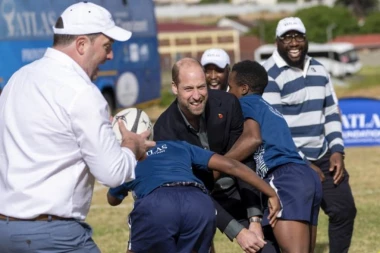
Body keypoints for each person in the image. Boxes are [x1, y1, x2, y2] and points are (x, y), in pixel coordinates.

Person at [0, 2, 155, 253]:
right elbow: (113, 173)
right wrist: (131, 146)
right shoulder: (82, 93)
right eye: (107, 46)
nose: (110, 55)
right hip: (54, 235)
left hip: (5, 230)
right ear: (82, 45)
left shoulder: (18, 79)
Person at [154, 57, 278, 253]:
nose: (197, 95)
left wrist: (254, 219)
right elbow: (191, 189)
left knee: (267, 249)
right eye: (188, 89)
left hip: (235, 189)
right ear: (175, 88)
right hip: (193, 198)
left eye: (201, 87)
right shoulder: (164, 130)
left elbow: (244, 160)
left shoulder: (227, 104)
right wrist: (238, 232)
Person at [262, 17, 357, 253]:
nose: (294, 42)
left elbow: (331, 112)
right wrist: (302, 162)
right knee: (297, 225)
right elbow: (275, 127)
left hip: (323, 155)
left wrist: (337, 150)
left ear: (305, 40)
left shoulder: (319, 68)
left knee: (344, 210)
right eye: (287, 37)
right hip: (288, 160)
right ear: (277, 42)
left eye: (298, 37)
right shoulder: (269, 74)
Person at [107, 139, 281, 253]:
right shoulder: (177, 145)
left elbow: (112, 199)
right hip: (198, 200)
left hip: (158, 202)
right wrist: (270, 192)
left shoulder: (129, 161)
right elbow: (231, 166)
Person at [226, 59, 323, 253]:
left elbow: (253, 139)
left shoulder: (245, 104)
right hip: (304, 176)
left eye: (231, 87)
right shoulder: (271, 109)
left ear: (244, 89)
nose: (229, 92)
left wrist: (219, 163)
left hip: (284, 178)